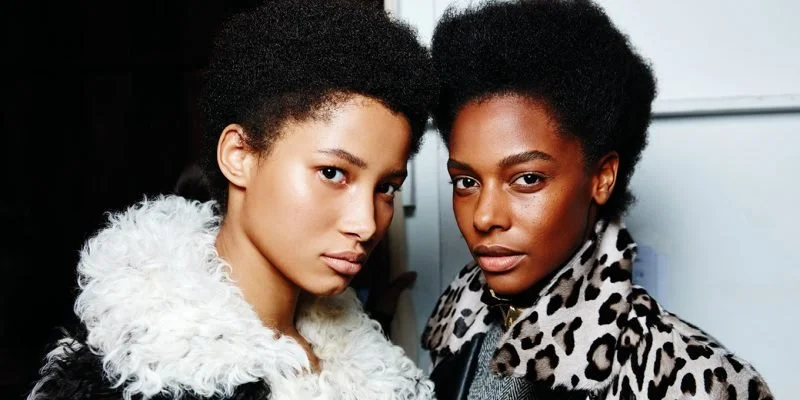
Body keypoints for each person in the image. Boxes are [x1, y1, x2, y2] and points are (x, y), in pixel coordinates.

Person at [26, 1, 437, 399]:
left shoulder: (374, 371)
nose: (365, 224)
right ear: (238, 156)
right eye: (332, 173)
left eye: (386, 187)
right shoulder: (128, 371)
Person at [421, 1, 773, 399]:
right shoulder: (456, 329)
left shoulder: (693, 379)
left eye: (527, 179)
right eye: (466, 181)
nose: (484, 217)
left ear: (602, 177)